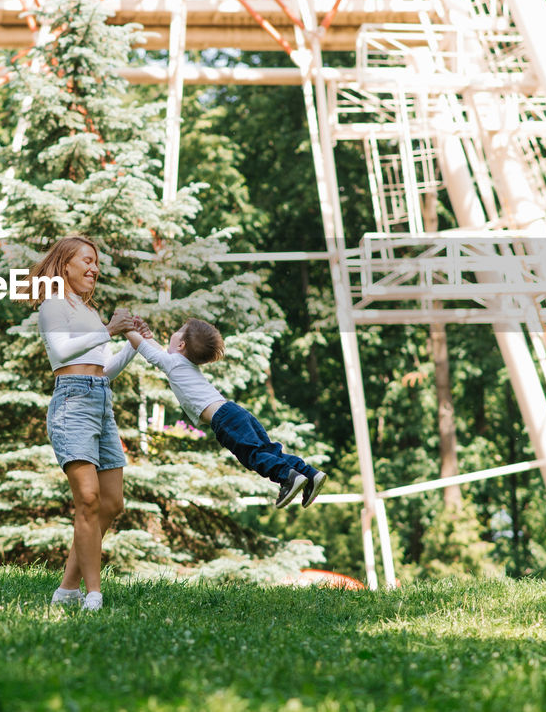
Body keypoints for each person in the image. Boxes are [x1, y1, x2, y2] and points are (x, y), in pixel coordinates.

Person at [29, 236, 138, 611]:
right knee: (87, 499)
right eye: (86, 260)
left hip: (100, 398)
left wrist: (131, 346)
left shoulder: (89, 313)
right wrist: (108, 329)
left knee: (111, 501)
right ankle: (93, 594)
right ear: (65, 265)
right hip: (71, 401)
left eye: (96, 263)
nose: (94, 268)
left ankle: (67, 589)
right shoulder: (53, 305)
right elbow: (60, 352)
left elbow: (103, 368)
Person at [126, 317, 327, 508]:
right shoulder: (179, 363)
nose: (174, 333)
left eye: (178, 332)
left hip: (225, 420)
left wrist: (126, 328)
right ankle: (309, 474)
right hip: (234, 413)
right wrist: (145, 336)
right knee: (269, 450)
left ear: (181, 346)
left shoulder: (174, 363)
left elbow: (145, 349)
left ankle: (287, 477)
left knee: (254, 456)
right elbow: (156, 350)